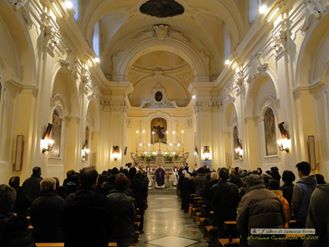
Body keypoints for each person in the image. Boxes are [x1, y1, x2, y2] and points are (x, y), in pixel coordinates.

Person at [63, 167, 111, 247]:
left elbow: (63, 221)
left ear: (80, 180)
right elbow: (109, 224)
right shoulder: (103, 200)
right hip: (96, 241)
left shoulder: (70, 199)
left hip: (74, 240)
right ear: (95, 181)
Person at [237, 174, 285, 247]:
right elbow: (283, 217)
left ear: (248, 184)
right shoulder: (274, 196)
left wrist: (244, 236)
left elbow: (241, 220)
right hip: (276, 238)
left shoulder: (247, 198)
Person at [29, 178, 64, 242]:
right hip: (57, 236)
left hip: (39, 236)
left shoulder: (35, 202)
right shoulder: (61, 201)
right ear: (54, 187)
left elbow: (32, 220)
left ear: (41, 188)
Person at [107, 173, 136, 247]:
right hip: (125, 231)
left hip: (111, 230)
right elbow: (133, 216)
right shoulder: (129, 200)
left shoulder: (108, 198)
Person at [210, 168, 239, 236]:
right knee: (231, 230)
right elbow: (237, 199)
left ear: (219, 176)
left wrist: (214, 209)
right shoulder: (234, 187)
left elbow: (212, 201)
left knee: (220, 230)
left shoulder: (215, 187)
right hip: (231, 212)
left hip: (219, 213)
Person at [292, 161, 317, 227]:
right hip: (315, 215)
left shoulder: (298, 186)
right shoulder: (315, 182)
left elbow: (295, 204)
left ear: (300, 171)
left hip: (303, 217)